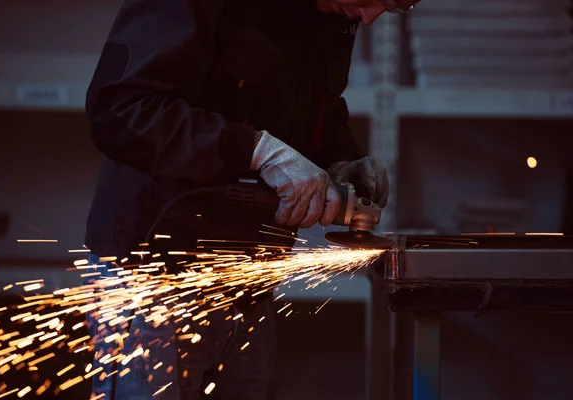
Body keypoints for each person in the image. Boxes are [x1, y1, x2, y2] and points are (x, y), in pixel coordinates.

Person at [82, 0, 416, 398]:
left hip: (248, 277)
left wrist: (338, 158)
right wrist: (256, 150)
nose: (371, 17)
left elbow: (311, 107)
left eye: (396, 5)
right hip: (156, 273)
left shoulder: (333, 13)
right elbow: (120, 110)